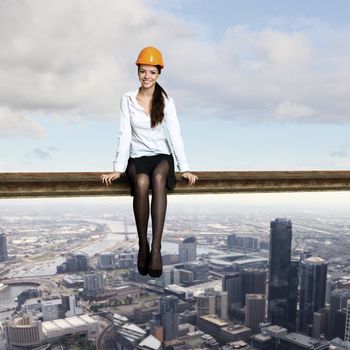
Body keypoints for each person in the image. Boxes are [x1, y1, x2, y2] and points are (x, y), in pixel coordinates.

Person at [100, 47, 198, 277]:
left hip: (161, 157)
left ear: (158, 74)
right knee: (141, 183)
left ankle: (156, 248)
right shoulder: (127, 100)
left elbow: (175, 135)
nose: (147, 76)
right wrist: (117, 168)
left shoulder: (166, 101)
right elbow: (124, 134)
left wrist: (185, 168)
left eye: (152, 72)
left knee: (157, 178)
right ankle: (142, 245)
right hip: (137, 157)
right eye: (143, 71)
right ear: (138, 72)